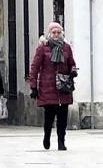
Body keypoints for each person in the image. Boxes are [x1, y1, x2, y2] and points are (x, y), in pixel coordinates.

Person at [29, 22, 77, 151]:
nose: (56, 35)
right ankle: (47, 137)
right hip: (47, 88)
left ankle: (61, 141)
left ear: (61, 34)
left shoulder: (66, 48)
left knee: (62, 118)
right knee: (49, 117)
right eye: (53, 33)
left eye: (58, 33)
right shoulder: (42, 48)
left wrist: (73, 71)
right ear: (49, 34)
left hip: (63, 88)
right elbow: (35, 67)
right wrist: (33, 86)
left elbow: (71, 62)